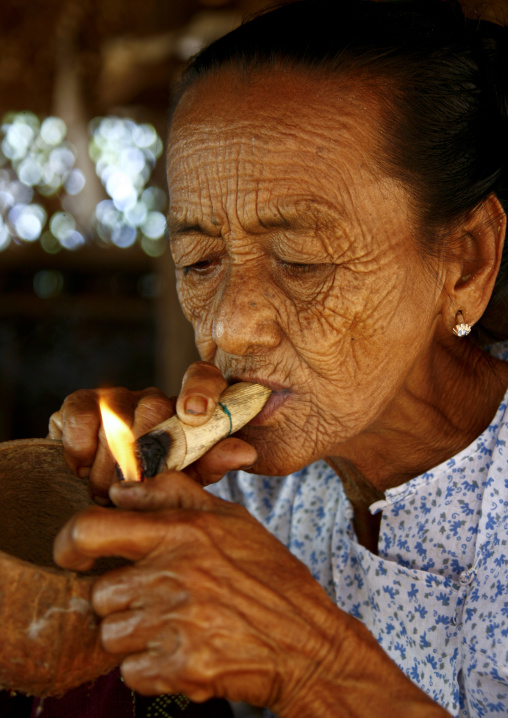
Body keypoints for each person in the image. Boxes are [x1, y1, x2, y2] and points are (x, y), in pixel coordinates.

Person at [48, 0, 508, 715]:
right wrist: (100, 519)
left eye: (301, 260)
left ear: (465, 262)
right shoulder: (244, 498)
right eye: (198, 261)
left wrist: (315, 664)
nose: (230, 326)